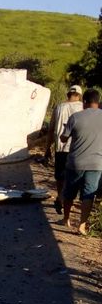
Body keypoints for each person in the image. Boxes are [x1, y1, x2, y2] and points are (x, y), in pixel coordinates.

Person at [60, 88, 102, 236]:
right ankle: (82, 225)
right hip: (96, 164)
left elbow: (63, 138)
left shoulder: (75, 117)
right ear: (98, 102)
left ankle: (66, 219)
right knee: (89, 194)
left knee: (69, 193)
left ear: (84, 102)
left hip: (75, 162)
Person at [44, 85, 83, 214]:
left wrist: (47, 149)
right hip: (77, 148)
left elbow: (51, 130)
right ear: (79, 96)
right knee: (72, 177)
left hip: (61, 147)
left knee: (60, 176)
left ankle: (60, 197)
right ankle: (67, 200)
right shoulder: (83, 108)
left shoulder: (59, 107)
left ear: (68, 94)